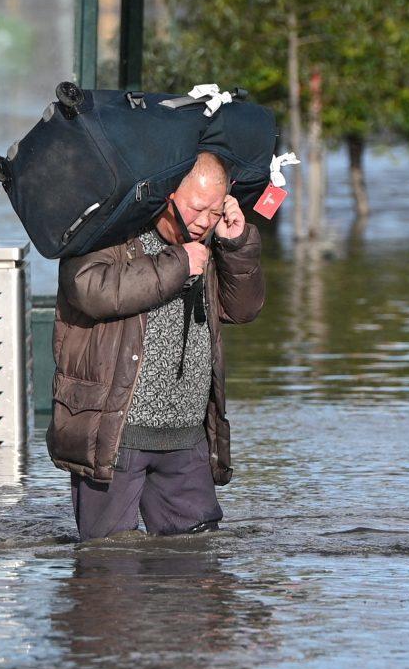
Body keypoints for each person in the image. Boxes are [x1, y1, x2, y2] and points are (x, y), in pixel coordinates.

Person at [48, 151, 264, 539]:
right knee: (108, 570)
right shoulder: (110, 230)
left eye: (215, 212)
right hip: (115, 433)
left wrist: (237, 246)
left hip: (186, 434)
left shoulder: (211, 242)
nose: (203, 223)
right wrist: (178, 263)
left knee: (197, 564)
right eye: (197, 209)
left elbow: (242, 310)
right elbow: (88, 290)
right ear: (166, 194)